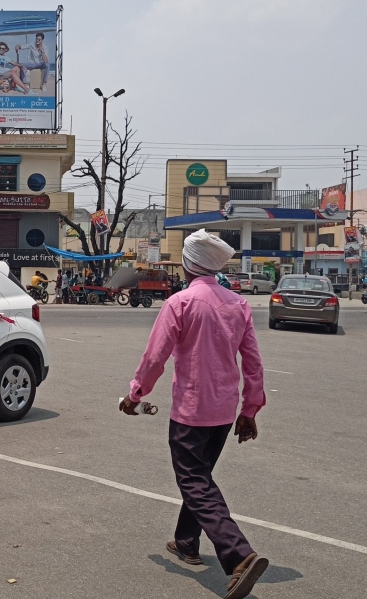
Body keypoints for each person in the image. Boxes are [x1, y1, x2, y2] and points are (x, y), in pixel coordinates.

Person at [120, 229, 268, 599]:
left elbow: (155, 357)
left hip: (191, 411)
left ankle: (239, 554)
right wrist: (250, 409)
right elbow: (253, 362)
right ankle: (186, 542)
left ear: (188, 265)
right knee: (199, 477)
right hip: (224, 411)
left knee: (193, 482)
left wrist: (135, 394)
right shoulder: (238, 304)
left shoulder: (181, 302)